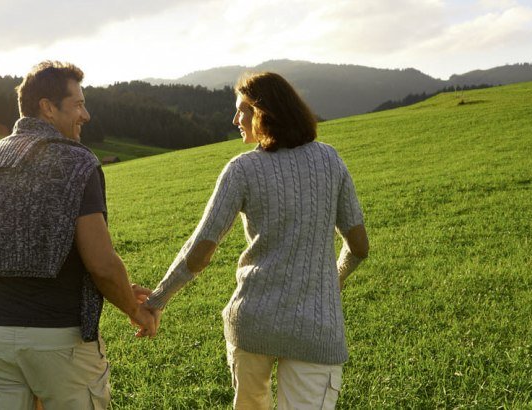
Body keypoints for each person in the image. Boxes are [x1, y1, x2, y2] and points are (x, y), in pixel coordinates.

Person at [143, 71, 369, 409]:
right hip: (316, 327)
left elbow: (201, 249)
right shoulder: (330, 160)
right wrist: (331, 280)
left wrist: (157, 301)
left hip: (252, 322)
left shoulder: (242, 170)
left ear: (266, 112)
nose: (236, 119)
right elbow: (359, 246)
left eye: (242, 110)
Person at [0, 60, 158, 410]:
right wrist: (135, 311)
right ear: (47, 107)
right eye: (77, 104)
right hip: (60, 344)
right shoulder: (77, 161)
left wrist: (121, 289)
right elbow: (101, 264)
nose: (86, 115)